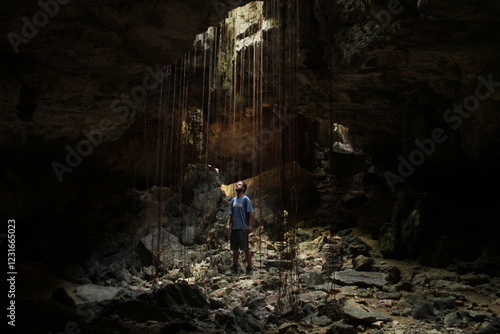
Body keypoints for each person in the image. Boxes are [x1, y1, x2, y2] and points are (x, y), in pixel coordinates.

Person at [226, 181, 254, 274]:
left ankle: (249, 267)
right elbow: (231, 213)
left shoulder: (246, 199)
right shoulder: (234, 200)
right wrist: (228, 224)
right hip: (234, 228)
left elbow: (250, 213)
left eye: (239, 184)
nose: (236, 185)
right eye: (236, 184)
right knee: (235, 249)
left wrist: (250, 225)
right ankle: (234, 267)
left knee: (245, 248)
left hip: (242, 227)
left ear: (243, 188)